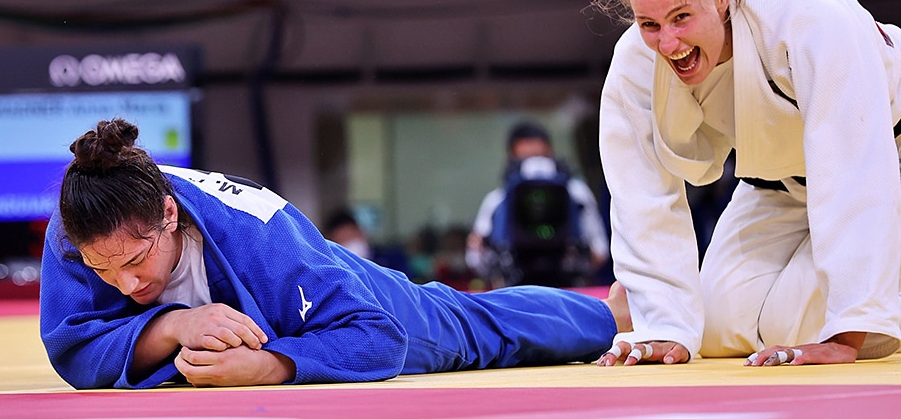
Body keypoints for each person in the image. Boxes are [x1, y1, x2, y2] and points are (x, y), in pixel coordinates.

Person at [590, 0, 901, 368]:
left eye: (682, 17)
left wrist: (847, 335)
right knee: (711, 329)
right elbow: (641, 195)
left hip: (885, 161)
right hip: (778, 187)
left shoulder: (813, 23)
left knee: (861, 320)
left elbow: (854, 171)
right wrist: (661, 320)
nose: (669, 41)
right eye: (649, 22)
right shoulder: (635, 62)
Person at [39, 118, 629, 389]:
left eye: (137, 261)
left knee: (472, 328)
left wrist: (270, 368)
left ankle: (611, 315)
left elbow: (377, 336)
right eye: (101, 268)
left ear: (169, 215)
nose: (123, 283)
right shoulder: (80, 226)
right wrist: (172, 326)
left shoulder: (260, 233)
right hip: (265, 307)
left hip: (333, 287)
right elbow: (70, 346)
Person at [466, 121, 609, 287]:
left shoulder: (576, 195)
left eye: (540, 156)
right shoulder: (498, 201)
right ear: (511, 158)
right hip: (514, 292)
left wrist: (578, 253)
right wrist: (482, 248)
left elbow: (600, 251)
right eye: (525, 158)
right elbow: (475, 259)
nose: (535, 167)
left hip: (567, 290)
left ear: (551, 152)